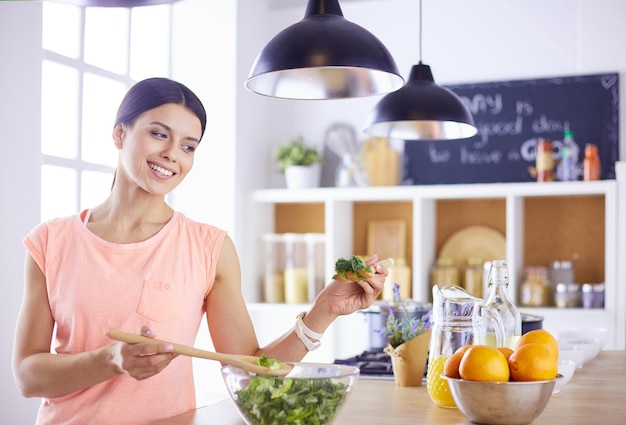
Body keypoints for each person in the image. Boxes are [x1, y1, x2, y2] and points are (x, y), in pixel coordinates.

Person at [12, 77, 388, 425]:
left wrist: (323, 311)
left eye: (188, 146)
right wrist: (111, 361)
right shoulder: (50, 241)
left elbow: (250, 372)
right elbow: (28, 376)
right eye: (159, 134)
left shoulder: (210, 247)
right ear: (119, 134)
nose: (172, 154)